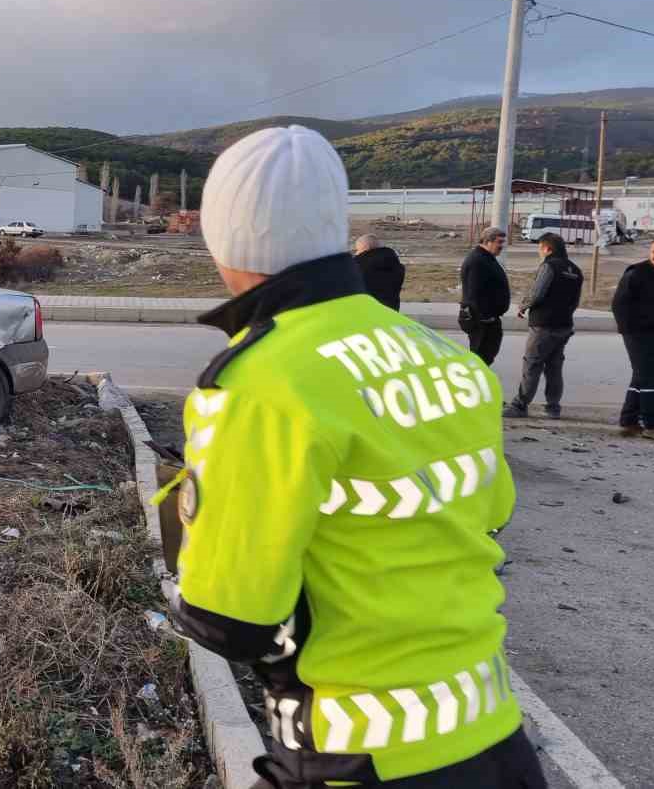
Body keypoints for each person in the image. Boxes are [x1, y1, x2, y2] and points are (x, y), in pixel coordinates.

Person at [157, 125, 543, 789]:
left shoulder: (259, 384)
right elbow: (489, 512)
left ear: (221, 238)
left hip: (359, 755)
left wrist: (183, 508)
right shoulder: (443, 355)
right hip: (496, 740)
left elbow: (229, 617)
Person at [503, 233, 583, 419]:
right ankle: (553, 407)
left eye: (540, 248)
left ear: (547, 248)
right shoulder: (576, 270)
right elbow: (576, 301)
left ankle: (520, 405)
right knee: (554, 368)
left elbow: (537, 293)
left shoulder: (549, 266)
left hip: (543, 324)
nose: (539, 252)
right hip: (564, 325)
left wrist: (523, 305)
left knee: (532, 364)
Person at [611, 237, 654, 442]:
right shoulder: (636, 273)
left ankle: (629, 421)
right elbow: (619, 305)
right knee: (653, 377)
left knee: (641, 377)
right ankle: (652, 425)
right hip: (638, 335)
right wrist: (629, 331)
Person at [459, 228, 510, 365]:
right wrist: (486, 317)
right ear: (488, 241)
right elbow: (474, 294)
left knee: (485, 358)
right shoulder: (477, 261)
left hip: (488, 320)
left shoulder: (486, 258)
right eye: (499, 242)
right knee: (479, 360)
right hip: (482, 322)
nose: (501, 246)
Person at [353, 234, 405, 310]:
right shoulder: (396, 265)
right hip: (390, 312)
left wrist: (357, 259)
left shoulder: (358, 265)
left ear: (366, 248)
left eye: (358, 249)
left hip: (366, 312)